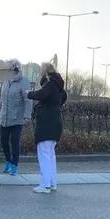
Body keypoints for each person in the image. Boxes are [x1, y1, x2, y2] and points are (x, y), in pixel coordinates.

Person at [27, 62, 67, 194]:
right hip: (56, 121)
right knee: (50, 154)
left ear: (45, 71)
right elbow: (64, 97)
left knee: (44, 154)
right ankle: (52, 183)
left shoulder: (49, 83)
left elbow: (41, 94)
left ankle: (45, 185)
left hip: (46, 123)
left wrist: (28, 94)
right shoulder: (59, 85)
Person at [0, 59, 32, 176]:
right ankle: (8, 160)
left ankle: (14, 165)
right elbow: (2, 100)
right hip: (4, 118)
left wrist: (27, 115)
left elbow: (28, 100)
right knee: (3, 140)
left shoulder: (24, 81)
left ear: (15, 69)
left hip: (17, 118)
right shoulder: (6, 82)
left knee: (14, 141)